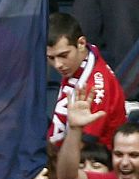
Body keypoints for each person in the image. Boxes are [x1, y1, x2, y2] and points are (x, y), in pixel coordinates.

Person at [46, 12, 125, 148]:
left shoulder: (94, 87)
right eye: (51, 58)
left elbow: (83, 145)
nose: (58, 64)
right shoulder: (85, 58)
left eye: (63, 55)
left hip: (95, 161)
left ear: (81, 43)